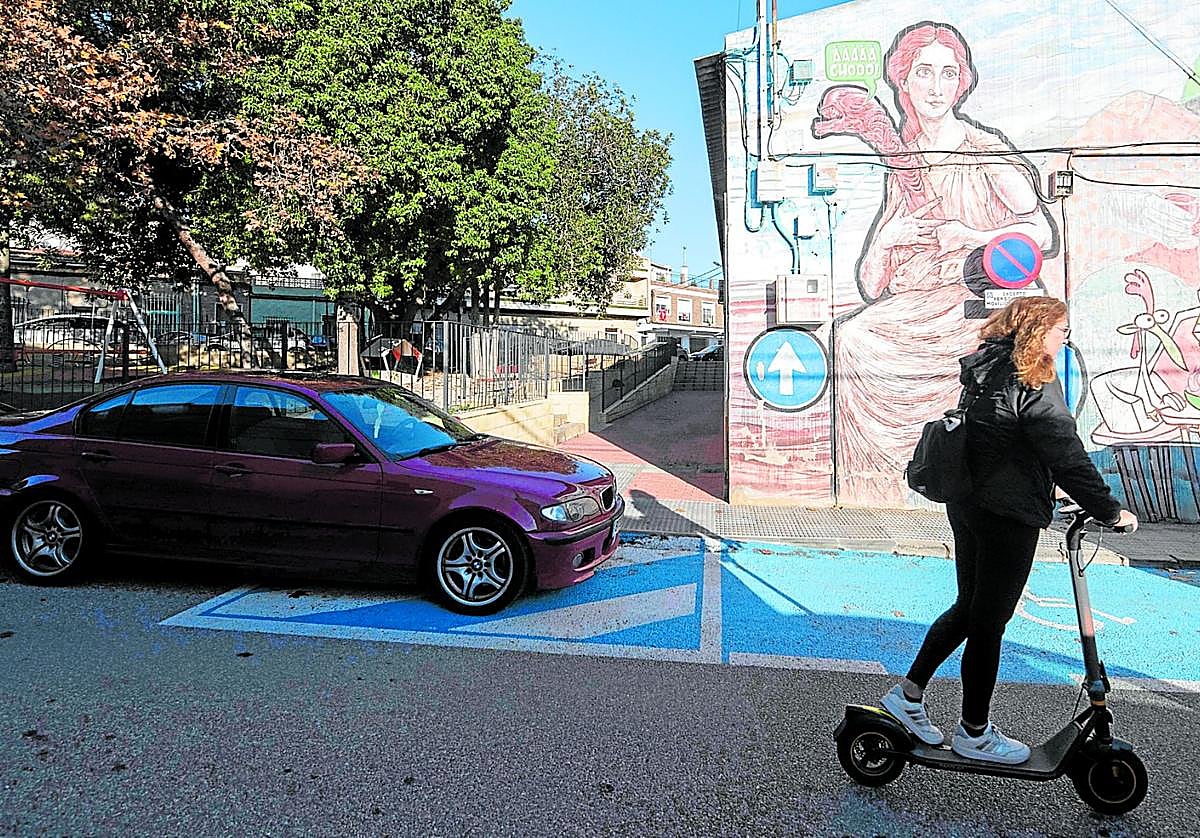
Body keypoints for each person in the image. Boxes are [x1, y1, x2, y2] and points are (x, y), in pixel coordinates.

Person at [879, 296, 1138, 764]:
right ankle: (974, 733)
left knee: (970, 608)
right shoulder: (1033, 380)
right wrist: (1109, 510)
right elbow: (1065, 452)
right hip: (1006, 514)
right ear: (1039, 331)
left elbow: (1003, 441)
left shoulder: (986, 369)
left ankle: (908, 695)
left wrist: (1046, 485)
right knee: (990, 621)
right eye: (1061, 331)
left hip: (969, 505)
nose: (1065, 340)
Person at [826, 21, 1054, 506]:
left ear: (962, 82)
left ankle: (974, 473)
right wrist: (887, 239)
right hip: (917, 307)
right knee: (851, 337)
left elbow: (1041, 231)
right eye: (924, 72)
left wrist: (973, 236)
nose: (936, 86)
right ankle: (876, 488)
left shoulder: (983, 151)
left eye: (948, 73)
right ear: (902, 81)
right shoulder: (904, 164)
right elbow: (872, 285)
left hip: (979, 300)